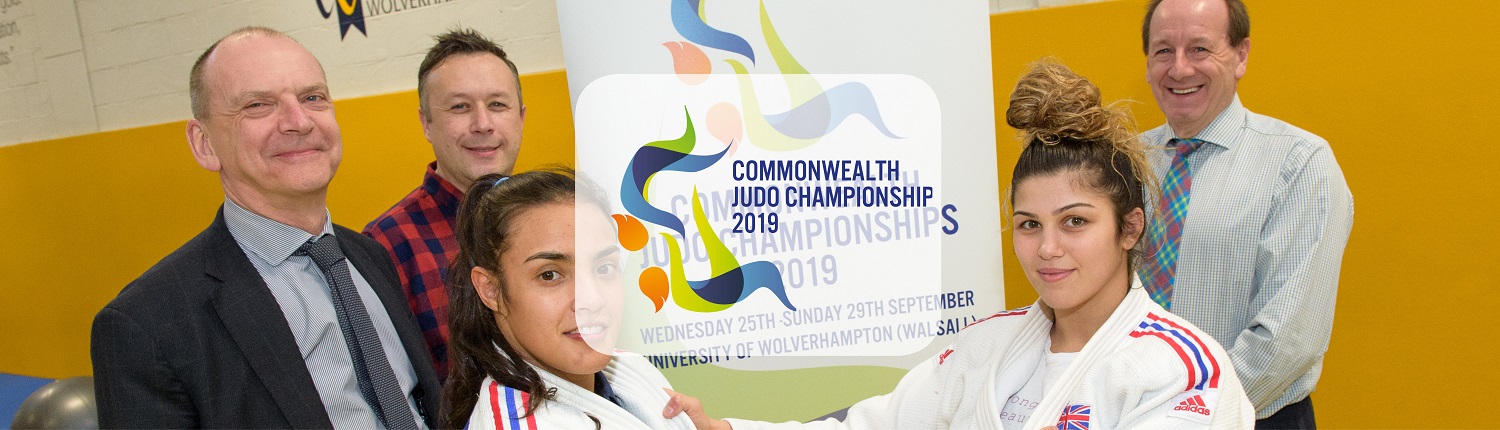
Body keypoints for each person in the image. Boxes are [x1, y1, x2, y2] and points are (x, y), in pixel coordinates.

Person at [673, 59, 1254, 430]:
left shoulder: (1180, 371)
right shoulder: (987, 345)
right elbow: (869, 427)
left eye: (1075, 222)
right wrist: (724, 429)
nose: (1047, 248)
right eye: (1029, 224)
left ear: (1129, 228)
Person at [90, 27, 441, 428]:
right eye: (258, 105)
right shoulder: (146, 324)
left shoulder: (368, 255)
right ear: (204, 143)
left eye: (313, 98)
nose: (298, 122)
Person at [1138, 0, 1353, 427]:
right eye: (1163, 50)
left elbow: (1287, 341)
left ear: (1241, 55)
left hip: (1250, 416)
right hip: (1133, 413)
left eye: (1199, 48)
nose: (1179, 68)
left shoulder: (1298, 163)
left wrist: (1186, 416)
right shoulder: (1125, 162)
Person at [442, 169, 695, 429]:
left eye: (604, 267)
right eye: (549, 275)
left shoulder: (631, 370)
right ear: (491, 290)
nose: (592, 300)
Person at [363, 28, 527, 380]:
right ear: (426, 123)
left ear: (521, 117)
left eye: (497, 105)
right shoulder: (386, 245)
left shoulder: (553, 218)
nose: (482, 124)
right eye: (460, 107)